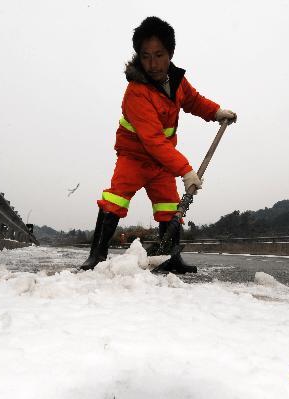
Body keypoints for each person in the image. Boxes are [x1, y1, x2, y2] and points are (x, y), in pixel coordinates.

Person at [81, 16, 236, 273]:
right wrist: (186, 170)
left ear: (170, 53)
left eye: (159, 55)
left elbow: (194, 101)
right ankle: (96, 256)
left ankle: (169, 258)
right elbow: (152, 140)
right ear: (138, 57)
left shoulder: (176, 81)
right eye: (145, 56)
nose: (153, 64)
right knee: (115, 200)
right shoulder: (136, 92)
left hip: (162, 162)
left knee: (169, 206)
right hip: (135, 157)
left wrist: (216, 112)